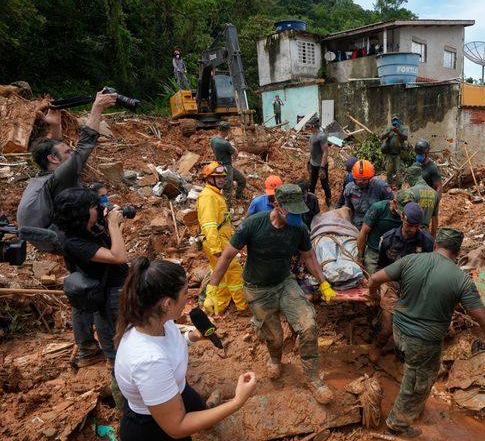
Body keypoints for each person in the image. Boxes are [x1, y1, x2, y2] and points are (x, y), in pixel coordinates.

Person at [368, 228, 485, 438]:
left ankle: (407, 381)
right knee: (419, 380)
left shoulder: (410, 260)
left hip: (398, 329)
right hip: (423, 340)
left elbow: (374, 278)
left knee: (412, 367)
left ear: (436, 243)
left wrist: (372, 294)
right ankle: (397, 423)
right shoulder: (461, 280)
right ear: (458, 251)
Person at [204, 184, 337, 405]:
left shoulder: (299, 229)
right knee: (274, 336)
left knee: (308, 324)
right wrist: (212, 288)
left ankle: (312, 377)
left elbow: (309, 257)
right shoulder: (253, 224)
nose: (296, 216)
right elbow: (227, 256)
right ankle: (275, 358)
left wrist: (324, 284)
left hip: (285, 283)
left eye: (298, 211)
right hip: (257, 288)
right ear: (276, 205)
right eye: (291, 211)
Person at [115, 258, 257, 440]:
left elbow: (168, 344)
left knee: (199, 410)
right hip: (154, 430)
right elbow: (178, 427)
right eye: (185, 293)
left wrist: (192, 337)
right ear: (167, 304)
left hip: (179, 391)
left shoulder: (155, 321)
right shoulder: (149, 362)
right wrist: (238, 401)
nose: (188, 299)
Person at [18, 90, 117, 251]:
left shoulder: (45, 175)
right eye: (68, 152)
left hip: (44, 234)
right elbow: (84, 145)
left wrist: (55, 124)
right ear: (53, 159)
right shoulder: (61, 178)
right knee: (91, 198)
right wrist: (97, 107)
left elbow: (57, 149)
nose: (71, 153)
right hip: (57, 240)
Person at [52, 187, 129, 367]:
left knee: (126, 341)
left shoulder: (89, 230)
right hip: (109, 298)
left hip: (117, 291)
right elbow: (118, 257)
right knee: (118, 353)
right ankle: (123, 388)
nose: (98, 210)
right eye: (94, 207)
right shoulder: (73, 242)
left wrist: (107, 223)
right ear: (81, 212)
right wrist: (112, 225)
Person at [371, 202, 434, 362]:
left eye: (416, 226)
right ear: (402, 218)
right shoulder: (388, 239)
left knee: (415, 320)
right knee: (387, 322)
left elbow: (430, 268)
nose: (412, 229)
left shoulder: (426, 241)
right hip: (391, 282)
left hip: (415, 285)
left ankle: (404, 350)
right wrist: (375, 289)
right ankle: (378, 344)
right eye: (409, 225)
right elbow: (380, 265)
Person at [197, 162, 246, 315]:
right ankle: (243, 306)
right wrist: (216, 249)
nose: (221, 180)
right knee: (234, 272)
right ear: (208, 178)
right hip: (217, 243)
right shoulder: (208, 196)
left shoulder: (215, 194)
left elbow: (221, 222)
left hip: (221, 241)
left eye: (223, 177)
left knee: (223, 276)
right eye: (216, 177)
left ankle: (219, 306)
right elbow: (209, 225)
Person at [356, 190, 415, 275]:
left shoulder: (410, 215)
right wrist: (360, 257)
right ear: (394, 202)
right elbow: (364, 232)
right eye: (402, 210)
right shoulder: (379, 208)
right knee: (373, 276)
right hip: (375, 251)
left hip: (395, 252)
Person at [341, 160, 393, 229]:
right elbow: (348, 209)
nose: (360, 182)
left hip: (376, 224)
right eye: (358, 179)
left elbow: (391, 207)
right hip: (357, 224)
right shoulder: (349, 189)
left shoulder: (381, 187)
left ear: (370, 178)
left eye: (364, 180)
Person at [210, 121, 246, 205]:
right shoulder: (225, 143)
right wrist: (234, 157)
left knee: (242, 180)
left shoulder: (213, 139)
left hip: (220, 164)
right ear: (226, 131)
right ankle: (227, 210)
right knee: (227, 188)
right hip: (226, 167)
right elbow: (235, 153)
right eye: (228, 131)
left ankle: (238, 195)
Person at [404, 164, 439, 237]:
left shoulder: (410, 192)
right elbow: (435, 220)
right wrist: (432, 238)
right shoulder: (434, 193)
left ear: (411, 177)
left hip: (411, 233)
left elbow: (404, 216)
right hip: (425, 234)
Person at [379, 114, 409, 189]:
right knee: (389, 171)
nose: (395, 122)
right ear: (392, 121)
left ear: (398, 121)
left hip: (398, 154)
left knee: (398, 171)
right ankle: (389, 186)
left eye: (396, 120)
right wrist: (390, 131)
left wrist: (398, 132)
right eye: (393, 120)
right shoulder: (389, 128)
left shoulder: (403, 128)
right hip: (389, 153)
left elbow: (405, 137)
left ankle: (399, 187)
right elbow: (382, 137)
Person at [307, 119, 331, 208]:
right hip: (313, 165)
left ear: (313, 126)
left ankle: (328, 200)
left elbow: (325, 152)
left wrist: (322, 167)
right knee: (311, 184)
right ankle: (309, 202)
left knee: (325, 184)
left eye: (309, 126)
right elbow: (311, 150)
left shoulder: (321, 136)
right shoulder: (312, 136)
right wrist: (309, 161)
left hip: (321, 165)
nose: (308, 128)